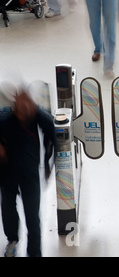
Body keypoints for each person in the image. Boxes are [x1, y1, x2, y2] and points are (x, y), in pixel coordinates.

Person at [0, 88, 56, 257]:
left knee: (32, 216)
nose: (25, 109)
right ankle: (12, 240)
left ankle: (34, 253)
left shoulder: (37, 117)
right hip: (7, 172)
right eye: (21, 104)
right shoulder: (6, 120)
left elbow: (51, 131)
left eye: (28, 104)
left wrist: (48, 162)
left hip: (29, 173)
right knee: (8, 207)